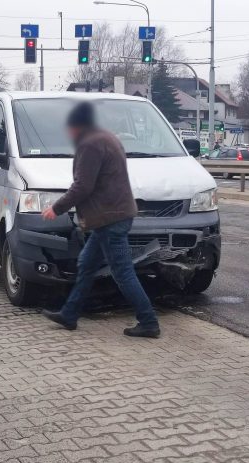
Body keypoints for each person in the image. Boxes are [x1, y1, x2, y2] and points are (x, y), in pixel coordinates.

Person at [41, 101, 161, 338]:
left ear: (77, 125)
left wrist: (57, 207)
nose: (69, 133)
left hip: (109, 218)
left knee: (123, 272)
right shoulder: (106, 137)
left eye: (70, 127)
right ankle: (69, 314)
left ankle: (148, 321)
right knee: (86, 264)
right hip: (111, 215)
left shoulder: (90, 144)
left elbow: (83, 186)